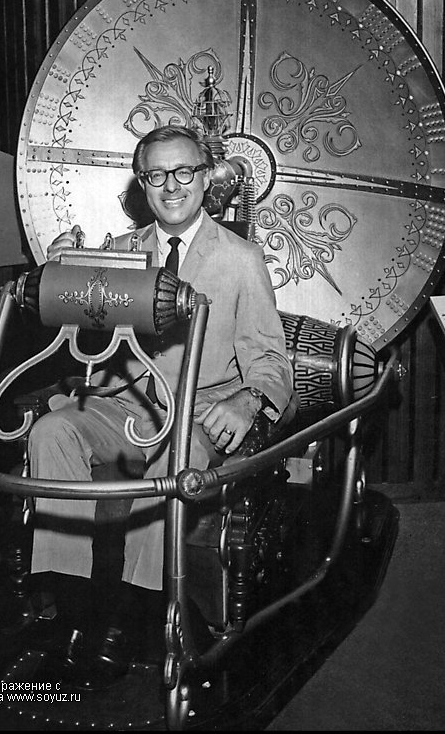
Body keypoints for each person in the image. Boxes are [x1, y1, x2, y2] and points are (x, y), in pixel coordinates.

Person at [28, 125, 297, 689]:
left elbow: (271, 359)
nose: (171, 186)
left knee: (172, 464)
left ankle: (122, 624)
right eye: (156, 175)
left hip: (197, 414)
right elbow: (79, 332)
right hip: (126, 405)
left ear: (206, 179)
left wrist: (249, 399)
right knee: (51, 431)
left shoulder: (240, 259)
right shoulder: (122, 253)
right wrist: (62, 274)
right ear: (142, 183)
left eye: (184, 172)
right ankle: (73, 613)